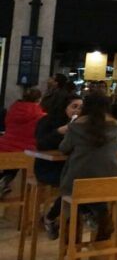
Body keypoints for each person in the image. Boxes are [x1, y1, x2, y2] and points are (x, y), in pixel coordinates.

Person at [58, 93, 117, 237]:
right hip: (114, 181)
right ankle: (99, 214)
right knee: (93, 186)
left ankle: (72, 230)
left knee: (73, 186)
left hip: (78, 182)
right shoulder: (116, 125)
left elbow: (64, 148)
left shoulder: (76, 125)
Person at [36, 91, 80, 239]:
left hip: (70, 167)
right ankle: (51, 217)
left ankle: (74, 220)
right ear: (64, 107)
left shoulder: (80, 125)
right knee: (74, 185)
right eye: (74, 106)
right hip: (48, 167)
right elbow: (41, 144)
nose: (77, 110)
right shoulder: (47, 121)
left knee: (86, 183)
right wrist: (59, 132)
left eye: (81, 107)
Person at [0, 88, 45, 195]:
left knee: (8, 167)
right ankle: (4, 183)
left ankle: (4, 182)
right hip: (25, 150)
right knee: (15, 167)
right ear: (39, 99)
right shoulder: (40, 115)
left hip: (4, 145)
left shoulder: (13, 110)